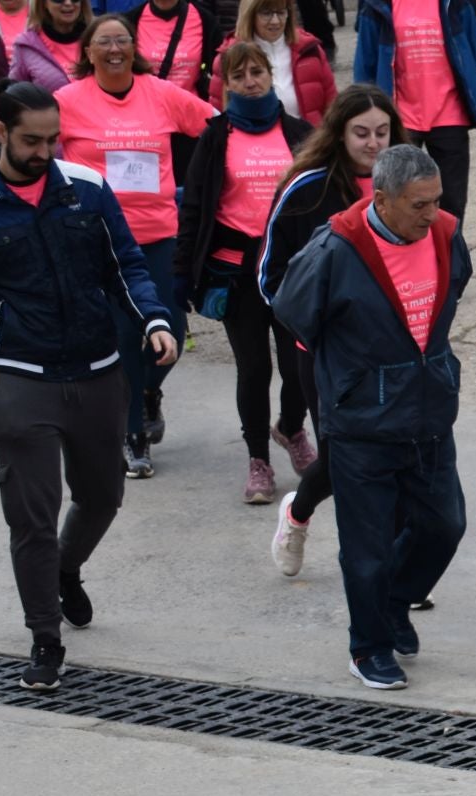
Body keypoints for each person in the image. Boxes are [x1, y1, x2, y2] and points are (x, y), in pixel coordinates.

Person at [0, 78, 177, 690]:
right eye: (31, 141)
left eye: (53, 139)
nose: (44, 152)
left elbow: (126, 264)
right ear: (0, 133)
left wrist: (154, 319)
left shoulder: (88, 188)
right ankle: (45, 639)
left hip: (99, 370)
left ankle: (65, 570)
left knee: (102, 497)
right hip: (20, 377)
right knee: (32, 518)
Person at [272, 143, 471, 691]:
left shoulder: (446, 234)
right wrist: (353, 375)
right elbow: (293, 312)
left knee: (445, 526)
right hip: (362, 424)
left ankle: (394, 602)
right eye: (418, 205)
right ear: (381, 199)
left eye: (436, 201)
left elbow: (454, 288)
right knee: (368, 548)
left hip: (430, 414)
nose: (431, 215)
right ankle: (369, 648)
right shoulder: (335, 249)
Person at [54, 12, 214, 476]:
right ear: (88, 52)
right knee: (123, 336)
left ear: (134, 48)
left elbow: (217, 129)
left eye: (122, 40)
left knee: (172, 332)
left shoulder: (160, 92)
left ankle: (147, 392)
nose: (114, 49)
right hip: (97, 237)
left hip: (158, 233)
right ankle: (133, 436)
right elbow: (33, 146)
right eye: (104, 42)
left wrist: (201, 188)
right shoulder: (67, 100)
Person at [258, 82, 406, 575]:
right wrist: (313, 326)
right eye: (361, 133)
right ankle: (298, 514)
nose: (373, 143)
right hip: (327, 354)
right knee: (346, 457)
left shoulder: (408, 184)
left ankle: (397, 568)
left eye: (382, 132)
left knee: (399, 453)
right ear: (339, 133)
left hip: (398, 351)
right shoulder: (308, 189)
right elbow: (270, 274)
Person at [177, 39, 311, 501]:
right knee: (254, 368)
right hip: (236, 272)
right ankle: (258, 460)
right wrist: (182, 274)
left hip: (291, 269)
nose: (250, 82)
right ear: (227, 85)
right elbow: (194, 208)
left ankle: (291, 428)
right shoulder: (215, 137)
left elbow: (320, 198)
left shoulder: (299, 132)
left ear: (271, 76)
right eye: (239, 75)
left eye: (257, 72)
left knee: (299, 366)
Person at [352, 0, 476, 221]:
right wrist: (366, 118)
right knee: (400, 204)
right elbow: (365, 67)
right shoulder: (377, 6)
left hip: (450, 116)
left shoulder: (455, 4)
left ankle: (448, 245)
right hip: (400, 121)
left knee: (452, 208)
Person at [207, 0, 335, 123]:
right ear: (250, 14)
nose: (275, 21)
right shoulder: (228, 57)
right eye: (266, 13)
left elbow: (332, 106)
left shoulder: (310, 50)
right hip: (252, 138)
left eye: (281, 12)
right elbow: (218, 116)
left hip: (309, 136)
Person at [125, 0, 217, 100]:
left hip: (191, 105)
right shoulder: (131, 20)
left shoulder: (206, 20)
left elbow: (218, 73)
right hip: (145, 104)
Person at [9, 0, 91, 95]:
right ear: (44, 3)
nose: (68, 3)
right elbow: (13, 96)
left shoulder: (97, 37)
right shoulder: (26, 45)